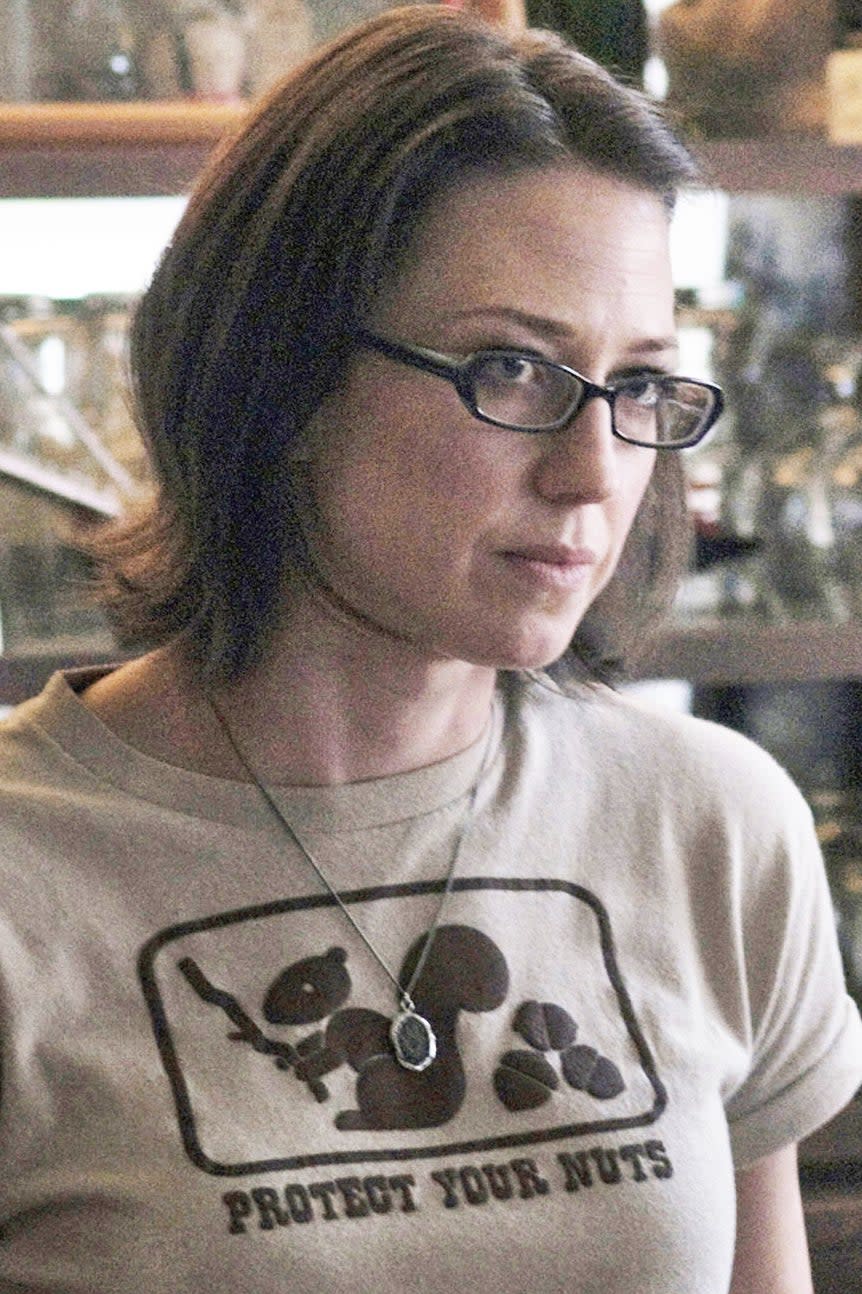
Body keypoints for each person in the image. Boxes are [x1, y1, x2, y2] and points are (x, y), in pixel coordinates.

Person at [0, 7, 858, 1292]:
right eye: (511, 368)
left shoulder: (710, 824)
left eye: (638, 384)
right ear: (282, 380)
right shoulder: (29, 877)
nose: (596, 471)